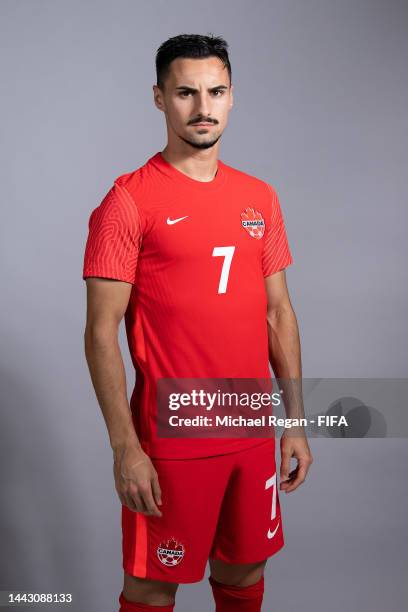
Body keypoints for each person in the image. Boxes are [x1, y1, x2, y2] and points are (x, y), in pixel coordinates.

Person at [82, 33, 313, 612]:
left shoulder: (260, 197)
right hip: (172, 440)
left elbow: (278, 312)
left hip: (251, 430)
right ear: (160, 98)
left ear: (233, 97)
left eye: (216, 92)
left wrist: (296, 422)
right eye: (186, 92)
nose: (203, 107)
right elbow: (99, 332)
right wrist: (124, 448)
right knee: (153, 587)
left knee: (242, 574)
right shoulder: (127, 202)